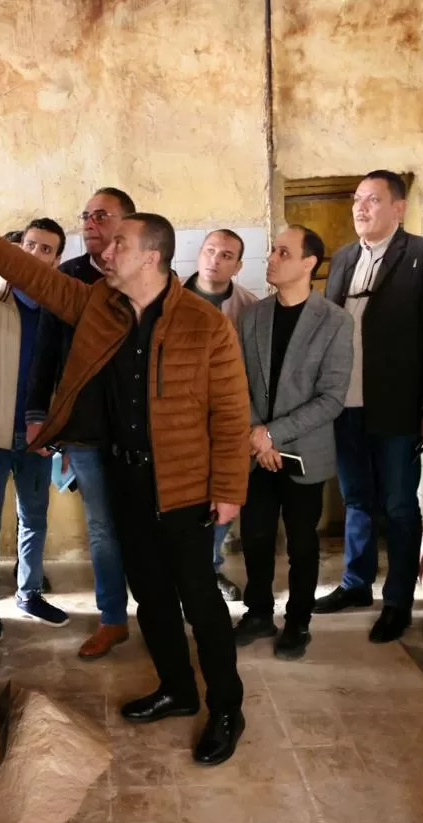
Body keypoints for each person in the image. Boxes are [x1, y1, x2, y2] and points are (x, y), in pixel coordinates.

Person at [0, 198, 252, 766]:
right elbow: (42, 281)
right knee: (150, 595)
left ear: (151, 256)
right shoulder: (102, 304)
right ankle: (178, 689)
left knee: (200, 601)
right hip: (126, 476)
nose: (105, 250)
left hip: (186, 486)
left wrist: (229, 490)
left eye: (120, 243)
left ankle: (227, 708)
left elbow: (231, 413)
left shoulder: (205, 325)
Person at [313, 170, 423, 644]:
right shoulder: (344, 258)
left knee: (398, 504)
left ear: (398, 207)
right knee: (356, 498)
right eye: (357, 199)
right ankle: (356, 584)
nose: (360, 207)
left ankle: (397, 600)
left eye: (372, 200)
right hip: (345, 405)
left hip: (398, 407)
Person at [25, 188, 137, 660]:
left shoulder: (146, 273)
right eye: (86, 215)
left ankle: (158, 610)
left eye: (101, 216)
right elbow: (46, 351)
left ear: (127, 224)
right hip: (87, 429)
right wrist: (37, 415)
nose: (90, 223)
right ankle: (112, 618)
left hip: (141, 427)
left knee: (146, 521)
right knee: (102, 528)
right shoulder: (68, 277)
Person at [233, 226, 352, 660]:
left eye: (283, 252)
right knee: (256, 536)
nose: (272, 257)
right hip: (255, 451)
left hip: (304, 452)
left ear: (308, 264)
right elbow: (238, 383)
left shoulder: (335, 321)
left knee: (302, 542)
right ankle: (258, 612)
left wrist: (273, 433)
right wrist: (258, 436)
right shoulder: (252, 316)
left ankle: (298, 621)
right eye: (272, 250)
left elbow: (331, 398)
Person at [0, 220, 69, 639]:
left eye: (46, 249)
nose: (35, 255)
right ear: (18, 248)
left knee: (34, 517)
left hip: (39, 438)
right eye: (30, 245)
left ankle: (30, 593)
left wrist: (62, 434)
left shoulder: (61, 310)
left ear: (56, 260)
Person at [182, 229, 259, 602]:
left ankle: (208, 570)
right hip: (178, 422)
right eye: (210, 251)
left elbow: (255, 370)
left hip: (227, 421)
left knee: (222, 498)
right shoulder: (169, 298)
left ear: (238, 266)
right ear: (199, 254)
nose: (215, 259)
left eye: (226, 255)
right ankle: (179, 574)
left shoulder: (249, 307)